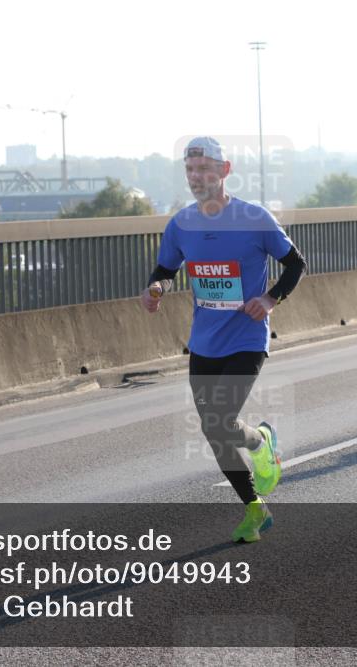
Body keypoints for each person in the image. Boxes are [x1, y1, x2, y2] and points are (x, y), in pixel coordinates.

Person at [141, 136, 307, 543]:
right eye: (190, 170)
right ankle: (255, 507)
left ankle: (261, 442)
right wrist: (157, 289)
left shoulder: (254, 219)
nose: (196, 177)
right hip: (204, 342)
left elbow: (295, 264)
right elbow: (165, 269)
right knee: (214, 429)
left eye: (204, 169)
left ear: (225, 170)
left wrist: (270, 299)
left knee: (219, 419)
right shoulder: (182, 224)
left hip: (247, 339)